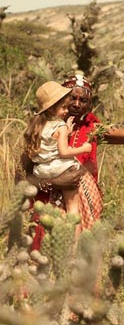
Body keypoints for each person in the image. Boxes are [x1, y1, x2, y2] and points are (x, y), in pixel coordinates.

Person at [19, 71, 124, 249]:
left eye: (83, 100)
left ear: (89, 103)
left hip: (80, 204)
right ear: (61, 100)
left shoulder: (93, 129)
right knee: (43, 259)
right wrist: (52, 182)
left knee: (78, 260)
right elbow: (22, 174)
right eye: (72, 98)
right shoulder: (41, 130)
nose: (76, 104)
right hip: (44, 205)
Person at [23, 81, 92, 221]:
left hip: (41, 171)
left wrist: (67, 131)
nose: (67, 111)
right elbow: (64, 152)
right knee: (73, 209)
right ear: (51, 109)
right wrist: (83, 148)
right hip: (60, 169)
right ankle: (76, 240)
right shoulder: (60, 126)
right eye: (64, 108)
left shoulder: (37, 126)